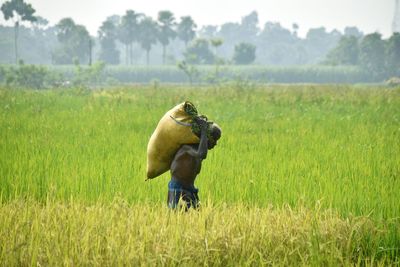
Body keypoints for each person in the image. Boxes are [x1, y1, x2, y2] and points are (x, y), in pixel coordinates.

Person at [167, 117, 221, 210]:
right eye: (214, 139)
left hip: (190, 189)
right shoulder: (187, 148)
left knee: (198, 218)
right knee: (177, 218)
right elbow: (202, 154)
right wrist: (204, 131)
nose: (216, 143)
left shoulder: (197, 149)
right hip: (178, 189)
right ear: (206, 137)